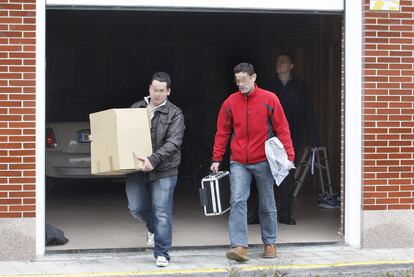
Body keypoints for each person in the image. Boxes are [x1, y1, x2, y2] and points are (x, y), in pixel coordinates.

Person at [210, 63, 294, 262]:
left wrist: (289, 156)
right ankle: (239, 246)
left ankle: (270, 243)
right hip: (239, 161)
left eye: (244, 80)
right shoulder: (230, 102)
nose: (240, 84)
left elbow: (282, 128)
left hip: (264, 160)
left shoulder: (269, 99)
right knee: (237, 201)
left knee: (267, 203)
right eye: (237, 80)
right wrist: (216, 158)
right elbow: (222, 132)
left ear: (254, 77)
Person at [126, 72, 185, 267]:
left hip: (164, 170)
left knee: (162, 212)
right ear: (149, 88)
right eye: (154, 89)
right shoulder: (136, 108)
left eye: (161, 90)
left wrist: (153, 159)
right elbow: (121, 133)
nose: (157, 94)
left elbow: (174, 142)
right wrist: (101, 139)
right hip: (138, 169)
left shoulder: (175, 113)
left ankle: (162, 253)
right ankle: (152, 228)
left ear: (168, 91)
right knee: (136, 207)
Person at [266, 53, 320, 225]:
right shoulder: (269, 86)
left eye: (283, 62)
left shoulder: (300, 86)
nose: (278, 64)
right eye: (277, 61)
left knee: (288, 174)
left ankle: (285, 213)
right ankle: (264, 213)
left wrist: (313, 139)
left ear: (291, 66)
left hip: (292, 136)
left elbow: (308, 113)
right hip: (270, 137)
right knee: (266, 174)